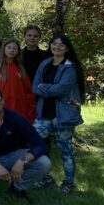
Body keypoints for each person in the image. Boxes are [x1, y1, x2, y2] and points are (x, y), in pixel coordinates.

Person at [32, 34, 86, 194]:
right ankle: (45, 178)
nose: (57, 47)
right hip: (43, 113)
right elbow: (35, 87)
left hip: (62, 115)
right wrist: (47, 89)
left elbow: (62, 89)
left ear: (67, 48)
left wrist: (44, 88)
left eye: (61, 45)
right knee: (34, 144)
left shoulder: (70, 68)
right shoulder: (45, 63)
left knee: (65, 150)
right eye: (54, 44)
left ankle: (69, 183)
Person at [0, 38, 36, 122]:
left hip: (20, 109)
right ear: (4, 49)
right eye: (9, 47)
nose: (11, 50)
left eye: (14, 48)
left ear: (17, 52)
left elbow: (28, 92)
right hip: (2, 109)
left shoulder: (20, 68)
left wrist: (31, 111)